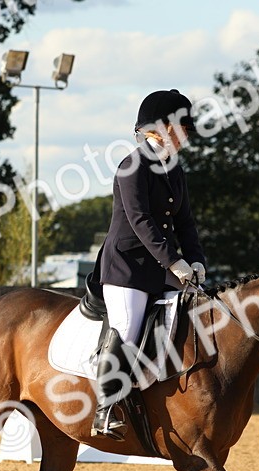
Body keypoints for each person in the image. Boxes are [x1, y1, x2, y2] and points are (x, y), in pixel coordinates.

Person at [88, 89, 208, 439]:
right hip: (127, 269)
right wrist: (175, 262)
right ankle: (105, 407)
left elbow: (185, 223)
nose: (187, 134)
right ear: (162, 128)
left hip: (161, 270)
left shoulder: (175, 171)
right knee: (127, 327)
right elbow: (141, 221)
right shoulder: (133, 165)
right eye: (183, 126)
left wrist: (197, 260)